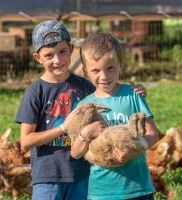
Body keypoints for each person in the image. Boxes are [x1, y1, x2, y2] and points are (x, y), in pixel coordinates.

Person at [15, 20, 148, 200]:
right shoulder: (35, 92)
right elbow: (25, 141)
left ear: (71, 49)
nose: (57, 60)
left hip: (83, 174)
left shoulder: (85, 86)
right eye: (49, 55)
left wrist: (134, 90)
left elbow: (109, 89)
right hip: (48, 175)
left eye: (62, 52)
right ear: (38, 58)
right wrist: (63, 128)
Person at [70, 32, 159, 200]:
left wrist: (132, 151)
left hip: (137, 188)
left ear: (121, 65)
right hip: (101, 192)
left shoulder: (132, 95)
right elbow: (75, 153)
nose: (104, 76)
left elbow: (153, 134)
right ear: (85, 71)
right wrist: (86, 134)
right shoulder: (83, 107)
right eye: (96, 70)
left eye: (110, 68)